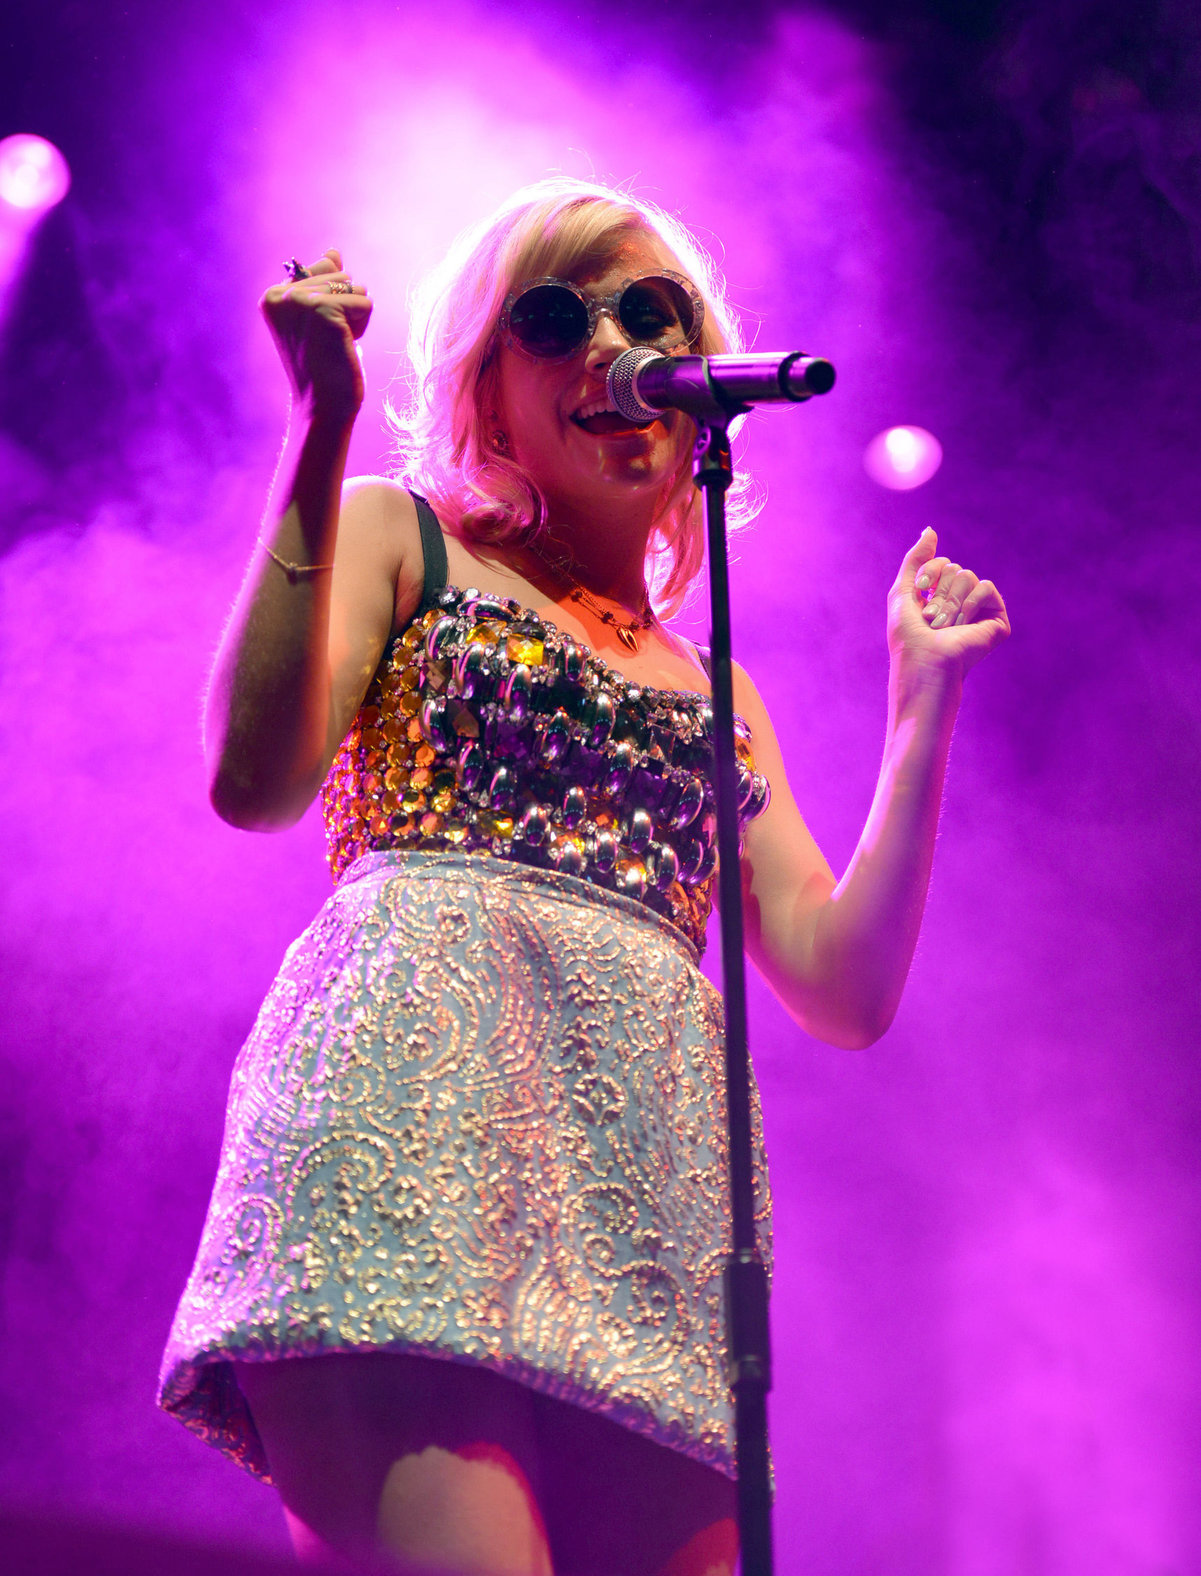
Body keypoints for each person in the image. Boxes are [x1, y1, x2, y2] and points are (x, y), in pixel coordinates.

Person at [158, 179, 1009, 1576]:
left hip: (644, 1216)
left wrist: (918, 716)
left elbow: (843, 991)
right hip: (405, 1151)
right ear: (490, 393)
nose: (610, 344)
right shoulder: (403, 536)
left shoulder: (718, 689)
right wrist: (321, 428)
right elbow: (251, 783)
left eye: (648, 314)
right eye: (556, 317)